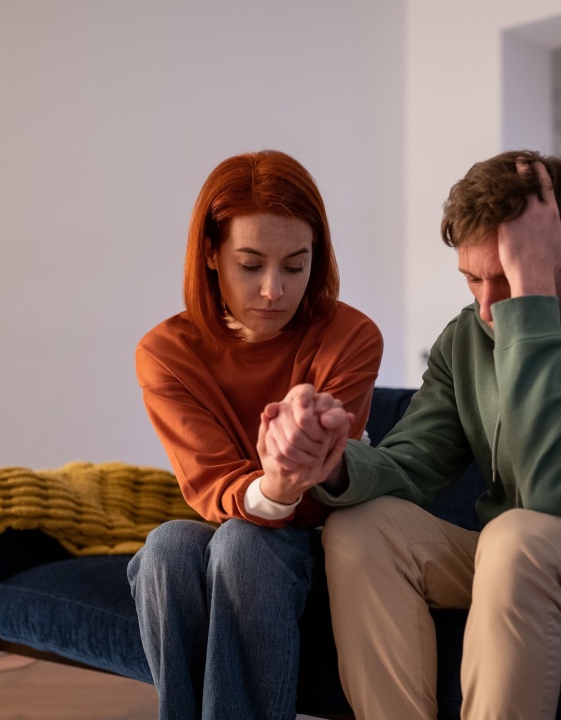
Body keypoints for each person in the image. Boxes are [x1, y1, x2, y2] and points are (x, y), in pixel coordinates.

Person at [260, 150, 561, 719]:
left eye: (510, 278)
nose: (489, 310)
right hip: (519, 560)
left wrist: (534, 300)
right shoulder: (466, 339)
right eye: (473, 280)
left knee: (518, 539)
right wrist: (331, 462)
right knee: (362, 528)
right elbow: (413, 463)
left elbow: (552, 487)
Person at [128, 149, 382, 720]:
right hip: (231, 528)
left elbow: (324, 489)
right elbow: (211, 485)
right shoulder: (165, 354)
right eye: (251, 265)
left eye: (295, 267)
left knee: (244, 545)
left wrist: (292, 480)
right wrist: (275, 483)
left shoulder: (351, 335)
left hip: (316, 545)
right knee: (167, 546)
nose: (273, 290)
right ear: (212, 256)